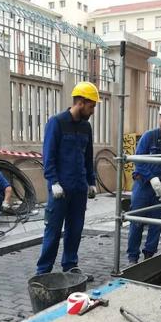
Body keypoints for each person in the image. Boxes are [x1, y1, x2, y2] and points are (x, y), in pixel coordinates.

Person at [35, 81, 98, 275]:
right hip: (60, 189)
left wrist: (91, 182)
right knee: (53, 231)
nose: (93, 110)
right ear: (80, 102)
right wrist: (53, 181)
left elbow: (88, 157)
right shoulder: (57, 122)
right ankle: (43, 271)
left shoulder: (86, 127)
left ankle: (70, 265)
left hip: (79, 189)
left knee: (75, 229)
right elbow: (49, 155)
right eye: (91, 106)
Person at [126, 100, 161, 265]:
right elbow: (138, 161)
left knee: (156, 224)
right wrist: (151, 178)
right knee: (136, 222)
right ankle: (132, 258)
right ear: (159, 118)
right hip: (143, 186)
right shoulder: (148, 137)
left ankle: (149, 256)